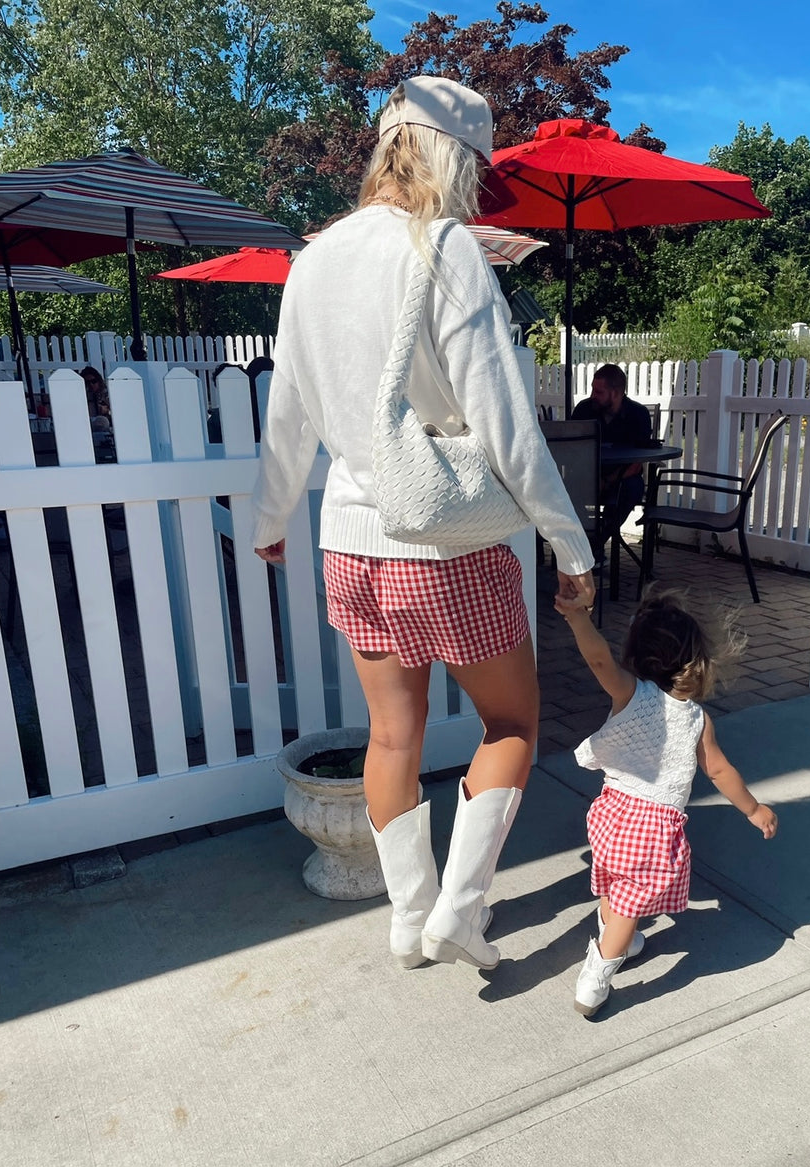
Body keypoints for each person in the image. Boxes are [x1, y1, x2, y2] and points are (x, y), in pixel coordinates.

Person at [251, 76, 595, 973]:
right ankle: (460, 910)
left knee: (392, 735)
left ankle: (409, 919)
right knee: (514, 722)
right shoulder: (444, 248)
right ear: (456, 157)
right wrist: (570, 544)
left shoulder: (312, 261)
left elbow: (285, 411)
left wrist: (269, 515)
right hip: (451, 542)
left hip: (350, 542)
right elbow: (507, 426)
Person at [556, 585, 778, 1017]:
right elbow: (719, 770)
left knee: (619, 889)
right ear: (695, 661)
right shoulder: (696, 718)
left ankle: (619, 935)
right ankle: (598, 972)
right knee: (627, 901)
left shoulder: (629, 694)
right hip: (652, 828)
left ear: (637, 653)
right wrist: (754, 809)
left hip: (611, 814)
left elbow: (598, 658)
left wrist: (578, 618)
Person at [570, 363, 656, 541]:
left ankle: (597, 541)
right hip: (585, 477)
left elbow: (637, 462)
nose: (592, 396)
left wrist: (607, 481)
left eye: (598, 392)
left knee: (634, 487)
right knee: (565, 487)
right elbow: (571, 450)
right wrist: (592, 479)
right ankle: (582, 541)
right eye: (592, 390)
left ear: (616, 393)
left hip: (621, 479)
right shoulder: (583, 410)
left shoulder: (637, 414)